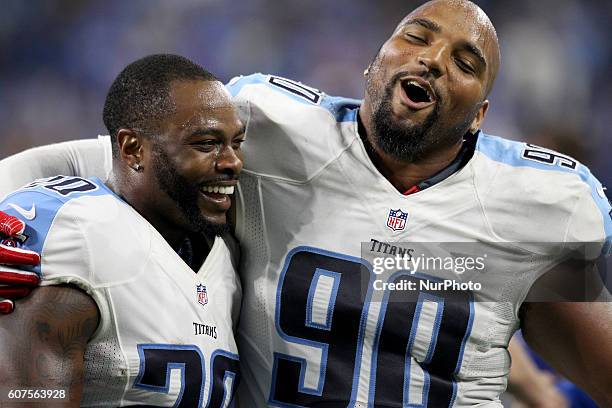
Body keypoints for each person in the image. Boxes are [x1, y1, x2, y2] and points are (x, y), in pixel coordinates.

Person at [0, 0, 611, 406]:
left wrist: (538, 390)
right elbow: (117, 155)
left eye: (465, 62)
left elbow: (493, 307)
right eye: (417, 37)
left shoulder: (543, 203)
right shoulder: (274, 128)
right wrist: (16, 217)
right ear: (376, 62)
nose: (433, 59)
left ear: (480, 114)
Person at [0, 54, 244, 406]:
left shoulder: (225, 251)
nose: (232, 162)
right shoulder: (76, 233)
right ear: (132, 149)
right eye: (206, 144)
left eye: (236, 143)